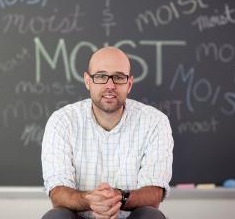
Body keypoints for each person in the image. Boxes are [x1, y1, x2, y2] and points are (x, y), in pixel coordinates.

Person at [41, 46, 174, 219]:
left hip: (130, 216)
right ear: (88, 81)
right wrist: (91, 200)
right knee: (56, 216)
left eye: (118, 77)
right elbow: (57, 192)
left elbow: (154, 193)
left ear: (129, 83)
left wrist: (119, 197)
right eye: (101, 76)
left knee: (151, 215)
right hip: (80, 217)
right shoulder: (62, 121)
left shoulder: (155, 122)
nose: (110, 85)